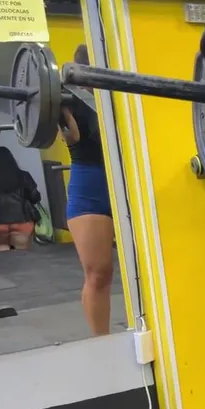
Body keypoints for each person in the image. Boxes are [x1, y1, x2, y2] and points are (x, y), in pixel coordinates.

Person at [61, 44, 116, 338]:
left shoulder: (122, 95)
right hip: (90, 183)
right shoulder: (68, 98)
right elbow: (69, 136)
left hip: (128, 179)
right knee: (98, 273)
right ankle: (101, 343)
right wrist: (59, 112)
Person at [0, 147, 40, 251]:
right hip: (23, 220)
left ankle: (4, 256)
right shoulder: (23, 176)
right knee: (22, 249)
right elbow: (35, 198)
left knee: (2, 246)